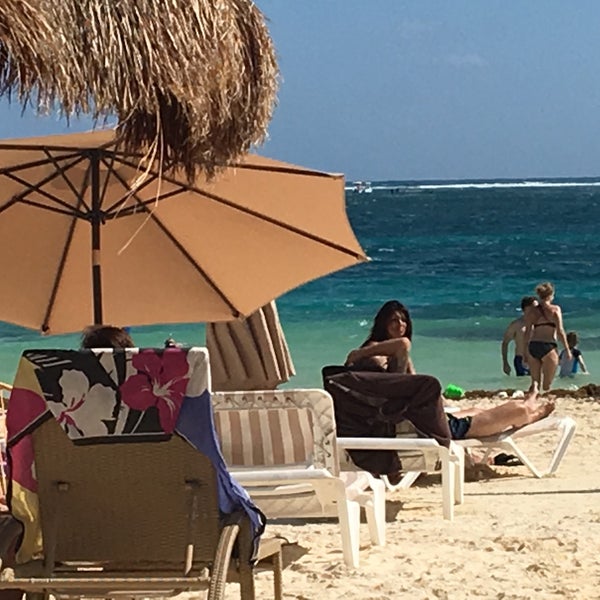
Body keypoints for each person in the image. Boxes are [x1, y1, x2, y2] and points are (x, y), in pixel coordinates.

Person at [345, 300, 555, 440]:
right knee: (517, 411)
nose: (400, 324)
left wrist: (445, 404)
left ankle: (528, 402)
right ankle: (532, 411)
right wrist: (356, 354)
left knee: (476, 410)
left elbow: (412, 379)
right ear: (383, 323)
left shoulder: (391, 364)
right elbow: (403, 345)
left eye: (403, 320)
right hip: (426, 428)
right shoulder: (373, 351)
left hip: (420, 419)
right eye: (394, 320)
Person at [524, 282, 570, 392]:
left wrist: (525, 351)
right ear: (551, 295)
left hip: (533, 346)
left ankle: (531, 404)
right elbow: (560, 331)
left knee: (535, 383)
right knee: (547, 386)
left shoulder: (532, 311)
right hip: (548, 346)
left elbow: (527, 332)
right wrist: (567, 349)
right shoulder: (555, 310)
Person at [501, 296, 538, 376]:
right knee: (523, 383)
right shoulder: (517, 325)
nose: (537, 310)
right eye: (534, 307)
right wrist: (505, 363)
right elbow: (505, 343)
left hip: (536, 359)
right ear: (526, 308)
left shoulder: (539, 324)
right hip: (520, 359)